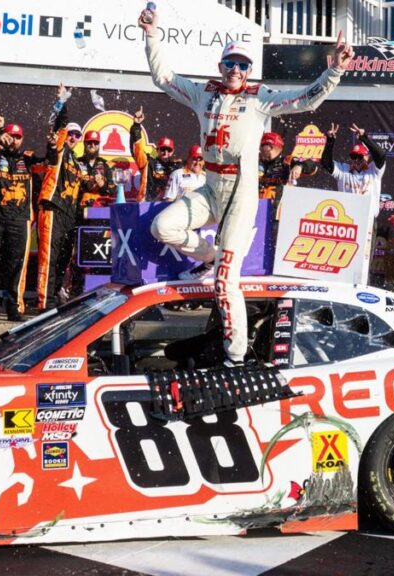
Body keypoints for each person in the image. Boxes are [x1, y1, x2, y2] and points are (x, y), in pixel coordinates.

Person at [141, 8, 352, 366]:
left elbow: (306, 99)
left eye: (242, 65)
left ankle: (235, 357)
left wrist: (334, 71)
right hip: (210, 188)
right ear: (220, 65)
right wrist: (151, 34)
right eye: (230, 64)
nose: (235, 71)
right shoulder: (203, 94)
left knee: (225, 281)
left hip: (240, 194)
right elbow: (163, 76)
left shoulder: (260, 97)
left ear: (250, 69)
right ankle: (208, 256)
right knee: (162, 226)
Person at [0, 122, 44, 321]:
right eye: (11, 136)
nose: (14, 140)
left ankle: (13, 307)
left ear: (22, 140)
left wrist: (54, 146)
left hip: (19, 219)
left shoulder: (28, 158)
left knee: (16, 265)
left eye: (18, 137)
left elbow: (48, 162)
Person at [36, 85, 83, 310]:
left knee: (63, 261)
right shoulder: (60, 150)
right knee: (49, 257)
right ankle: (43, 304)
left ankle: (54, 299)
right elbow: (60, 127)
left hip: (69, 214)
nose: (73, 137)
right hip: (52, 207)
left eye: (77, 135)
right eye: (71, 134)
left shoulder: (77, 162)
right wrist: (63, 100)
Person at [320, 123, 387, 215]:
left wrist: (364, 138)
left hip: (369, 219)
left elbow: (381, 156)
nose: (357, 160)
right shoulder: (343, 170)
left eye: (360, 156)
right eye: (354, 156)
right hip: (348, 220)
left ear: (367, 157)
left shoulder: (374, 171)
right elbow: (326, 163)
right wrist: (330, 141)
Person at [130, 106, 183, 202]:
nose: (165, 153)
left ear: (173, 152)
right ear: (157, 150)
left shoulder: (177, 167)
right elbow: (136, 149)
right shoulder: (148, 163)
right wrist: (136, 126)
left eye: (168, 150)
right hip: (147, 205)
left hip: (168, 206)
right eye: (162, 149)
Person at [258, 132, 318, 207]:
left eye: (261, 145)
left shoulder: (287, 160)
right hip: (255, 207)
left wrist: (300, 166)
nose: (259, 148)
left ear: (270, 147)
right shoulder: (255, 161)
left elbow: (313, 167)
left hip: (279, 209)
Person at [77, 130, 115, 208]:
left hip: (100, 209)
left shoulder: (107, 165)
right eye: (89, 142)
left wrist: (103, 185)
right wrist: (87, 185)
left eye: (96, 143)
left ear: (99, 145)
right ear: (84, 143)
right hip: (79, 209)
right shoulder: (76, 163)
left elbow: (112, 191)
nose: (92, 145)